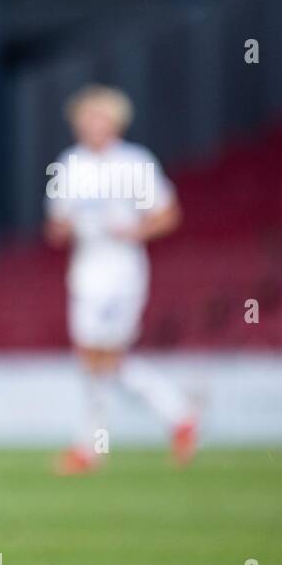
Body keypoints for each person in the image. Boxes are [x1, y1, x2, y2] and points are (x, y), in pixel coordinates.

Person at [44, 84, 198, 474]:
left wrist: (133, 232)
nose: (91, 126)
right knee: (94, 359)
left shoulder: (135, 163)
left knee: (104, 358)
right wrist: (65, 226)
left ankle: (93, 445)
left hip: (123, 271)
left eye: (99, 118)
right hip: (85, 271)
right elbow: (56, 226)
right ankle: (176, 414)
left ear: (114, 122)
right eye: (85, 119)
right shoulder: (70, 164)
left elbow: (168, 213)